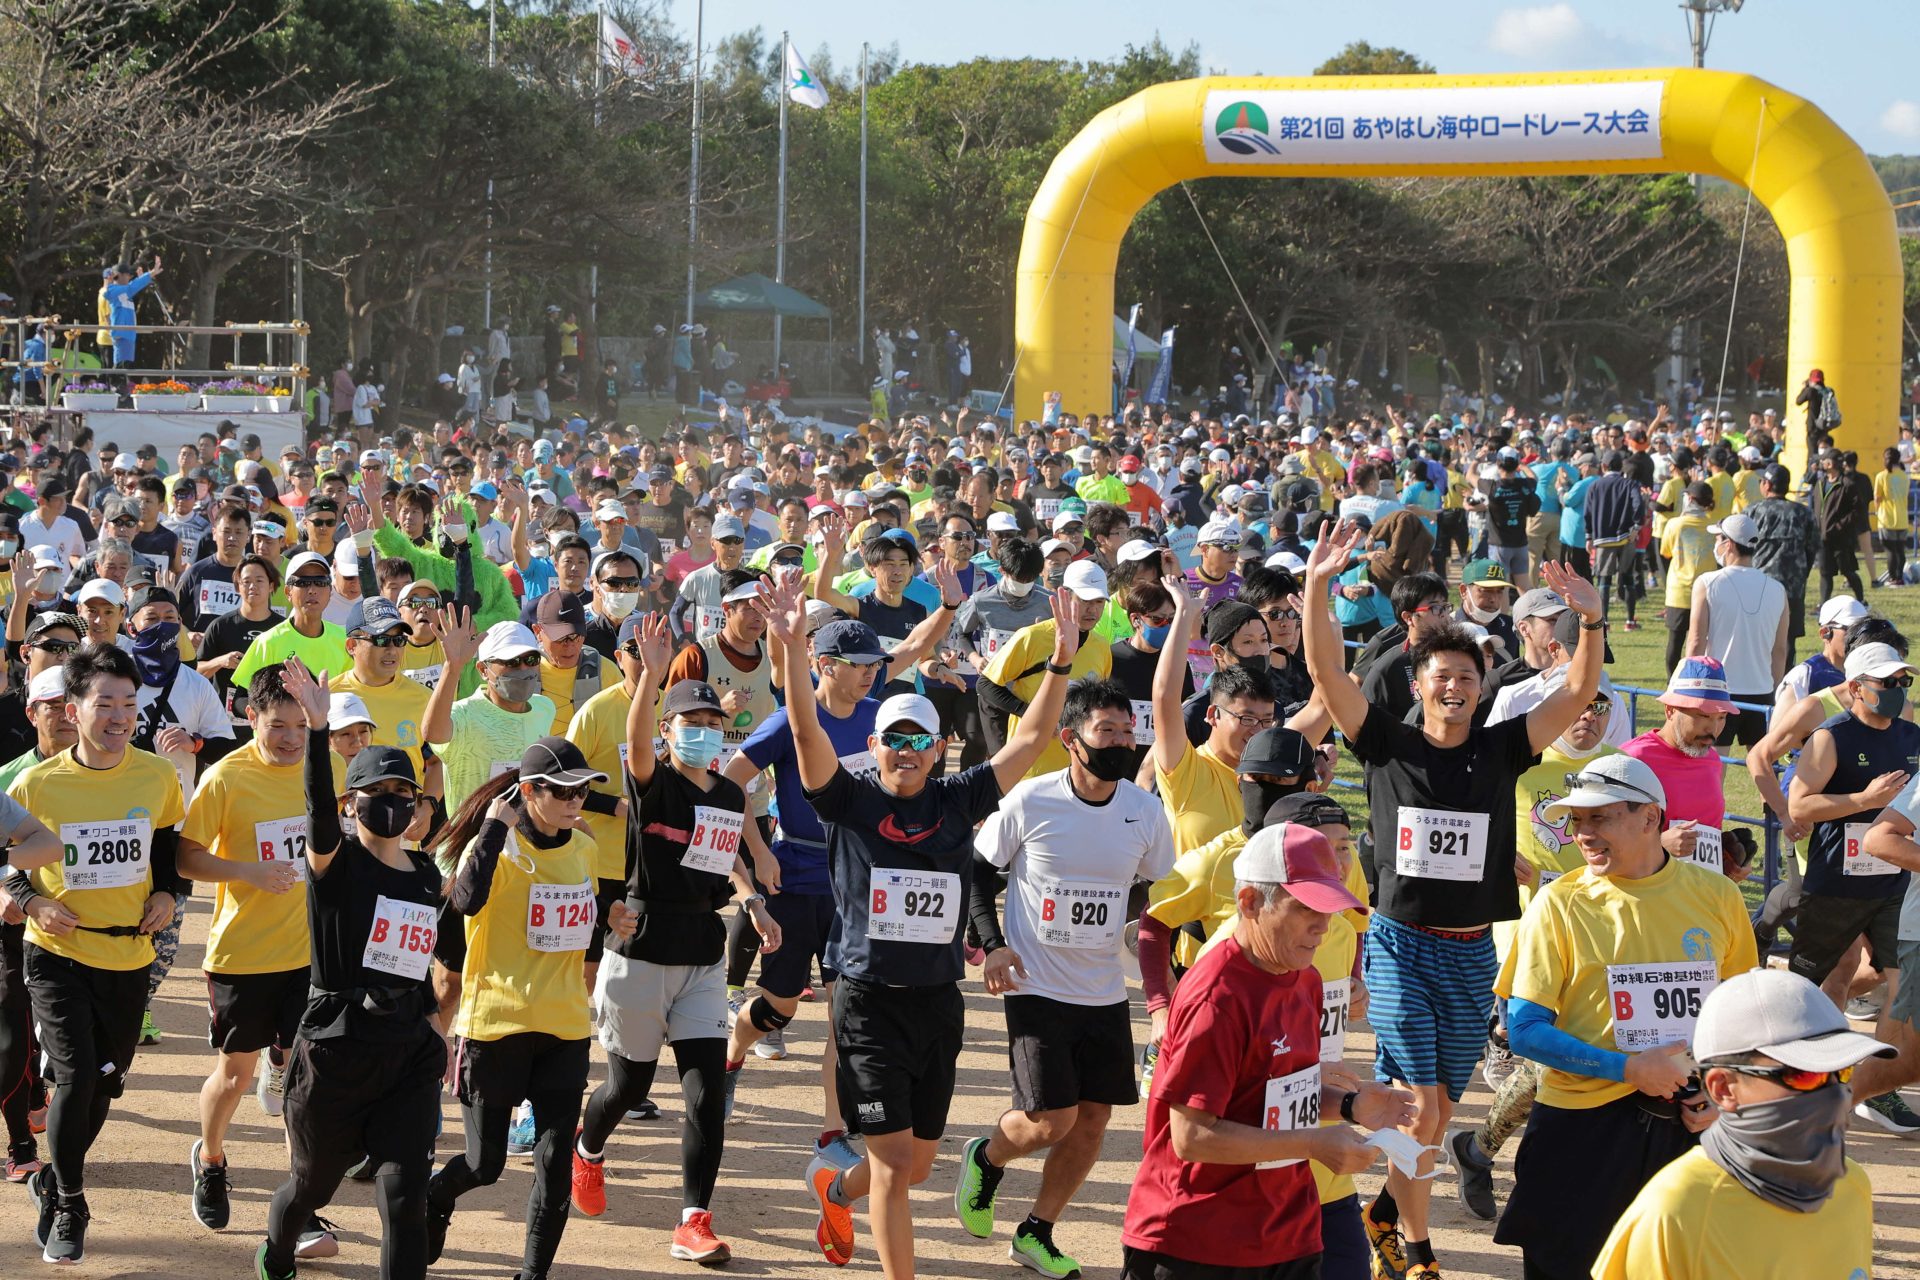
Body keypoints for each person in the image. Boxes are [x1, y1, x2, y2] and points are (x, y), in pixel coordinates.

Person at [1299, 520, 1604, 1280]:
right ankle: (1417, 1250)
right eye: (1443, 675)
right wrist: (1316, 588)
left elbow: (1578, 691)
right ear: (1419, 681)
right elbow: (1328, 675)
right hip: (1402, 944)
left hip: (1474, 956)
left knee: (1436, 1112)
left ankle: (1384, 1216)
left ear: (1479, 687)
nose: (1456, 686)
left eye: (1468, 677)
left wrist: (1592, 622)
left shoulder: (1502, 748)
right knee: (1425, 1106)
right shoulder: (1386, 744)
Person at [772, 569, 1076, 1280]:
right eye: (892, 741)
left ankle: (830, 1186)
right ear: (873, 747)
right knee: (890, 1167)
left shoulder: (957, 799)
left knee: (915, 1167)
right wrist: (792, 652)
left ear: (939, 748)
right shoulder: (844, 799)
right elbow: (802, 725)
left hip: (938, 1001)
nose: (905, 752)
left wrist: (1061, 660)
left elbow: (1029, 741)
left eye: (919, 741)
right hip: (867, 1000)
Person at [1490, 753, 1758, 1279]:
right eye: (1578, 821)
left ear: (1651, 818)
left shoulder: (1718, 895)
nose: (1584, 834)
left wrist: (1717, 1091)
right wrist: (1629, 1069)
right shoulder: (1559, 903)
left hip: (1689, 1124)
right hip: (1580, 1130)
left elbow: (1743, 1013)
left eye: (1601, 818)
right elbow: (1523, 1030)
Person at [1119, 821, 1415, 1280]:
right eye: (1305, 909)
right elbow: (1191, 1136)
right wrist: (1313, 1142)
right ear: (1250, 902)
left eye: (1331, 908)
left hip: (1284, 1232)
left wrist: (1353, 1107)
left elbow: (1273, 1086)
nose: (1324, 926)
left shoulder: (1305, 977)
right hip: (1197, 1241)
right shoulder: (1217, 998)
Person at [572, 617, 778, 1263]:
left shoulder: (723, 791)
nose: (703, 733)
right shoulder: (652, 781)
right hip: (639, 953)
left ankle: (693, 1220)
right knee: (628, 1088)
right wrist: (653, 681)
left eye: (714, 725)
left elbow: (727, 859)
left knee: (704, 1095)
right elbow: (634, 740)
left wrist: (753, 901)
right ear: (667, 732)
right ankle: (587, 1144)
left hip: (701, 957)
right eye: (690, 723)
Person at [954, 678, 1176, 1278]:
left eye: (1128, 733)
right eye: (1107, 732)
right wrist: (992, 944)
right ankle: (988, 1155)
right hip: (1035, 982)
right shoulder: (1030, 801)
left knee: (1095, 1118)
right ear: (1070, 740)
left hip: (1104, 989)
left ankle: (1037, 1231)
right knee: (1052, 1120)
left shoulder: (1144, 811)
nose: (1122, 744)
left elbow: (1155, 892)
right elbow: (975, 872)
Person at [254, 660, 445, 1280]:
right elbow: (313, 808)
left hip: (407, 1052)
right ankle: (277, 1254)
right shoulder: (333, 866)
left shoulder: (424, 875)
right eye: (375, 795)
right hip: (335, 1053)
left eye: (401, 795)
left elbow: (427, 963)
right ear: (349, 803)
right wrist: (316, 730)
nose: (390, 805)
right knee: (310, 1188)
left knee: (404, 1197)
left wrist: (437, 1029)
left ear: (417, 806)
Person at [4, 646, 187, 1264]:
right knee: (77, 1076)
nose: (118, 716)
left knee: (104, 1086)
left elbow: (167, 850)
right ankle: (73, 1205)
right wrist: (33, 904)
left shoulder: (156, 775)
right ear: (72, 710)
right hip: (55, 952)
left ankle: (51, 1183)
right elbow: (7, 870)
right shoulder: (36, 784)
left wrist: (166, 891)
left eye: (129, 704)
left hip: (128, 956)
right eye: (104, 703)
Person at [422, 738, 605, 1280]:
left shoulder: (585, 848)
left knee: (553, 1168)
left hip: (564, 1027)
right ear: (528, 791)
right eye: (564, 790)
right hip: (495, 1027)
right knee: (485, 1164)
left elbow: (587, 927)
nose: (576, 800)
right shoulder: (493, 847)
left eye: (582, 790)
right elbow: (466, 902)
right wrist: (493, 828)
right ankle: (436, 1196)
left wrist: (610, 930)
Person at [1593, 968, 1885, 1280]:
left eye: (1843, 1072)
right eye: (1804, 1074)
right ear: (1723, 1089)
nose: (1836, 1094)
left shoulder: (1851, 1185)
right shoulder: (1677, 1211)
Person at [173, 667, 315, 1240]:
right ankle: (210, 1159)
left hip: (312, 956)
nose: (291, 738)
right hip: (244, 956)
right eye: (278, 725)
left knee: (306, 1082)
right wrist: (246, 872)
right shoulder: (226, 778)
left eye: (302, 725)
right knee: (235, 1077)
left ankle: (299, 1204)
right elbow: (185, 857)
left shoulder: (321, 769)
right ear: (250, 717)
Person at [1784, 640, 1920, 1133]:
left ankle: (1876, 1089)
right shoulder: (1830, 736)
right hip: (1836, 883)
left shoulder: (1913, 736)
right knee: (1817, 987)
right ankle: (1797, 1081)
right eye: (1887, 682)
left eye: (1904, 682)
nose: (1897, 690)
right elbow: (1799, 808)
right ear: (1856, 687)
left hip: (1894, 885)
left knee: (1901, 989)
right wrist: (1863, 797)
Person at [1685, 511, 1788, 747]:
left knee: (1712, 768)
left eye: (1718, 539)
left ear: (1728, 544)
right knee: (1764, 767)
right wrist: (1774, 692)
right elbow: (1780, 649)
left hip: (1718, 689)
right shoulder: (1777, 589)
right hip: (1762, 690)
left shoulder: (1707, 582)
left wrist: (1688, 688)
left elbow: (1696, 641)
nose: (1715, 544)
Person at [1747, 464, 1818, 658]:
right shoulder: (1803, 513)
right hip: (1793, 588)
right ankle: (1785, 683)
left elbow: (1742, 549)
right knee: (1788, 641)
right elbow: (1812, 550)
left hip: (1758, 586)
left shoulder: (1753, 512)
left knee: (1757, 638)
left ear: (1767, 485)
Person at [1773, 595, 1868, 726]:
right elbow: (1776, 734)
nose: (1859, 637)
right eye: (1851, 630)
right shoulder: (1803, 676)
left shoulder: (1873, 673)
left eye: (1864, 630)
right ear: (1825, 633)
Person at [1813, 449, 1868, 602]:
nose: (1821, 463)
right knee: (1825, 573)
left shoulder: (1847, 485)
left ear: (1832, 463)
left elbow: (1857, 511)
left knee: (1848, 571)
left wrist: (1839, 526)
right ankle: (1823, 605)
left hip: (1841, 538)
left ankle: (1862, 601)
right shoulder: (1819, 483)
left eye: (1824, 460)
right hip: (1823, 538)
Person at [1874, 444, 1910, 587]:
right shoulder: (1904, 476)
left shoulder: (1881, 476)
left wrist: (1877, 511)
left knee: (1890, 551)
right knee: (1900, 551)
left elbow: (1877, 497)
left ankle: (1892, 578)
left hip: (1886, 518)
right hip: (1902, 518)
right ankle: (1899, 578)